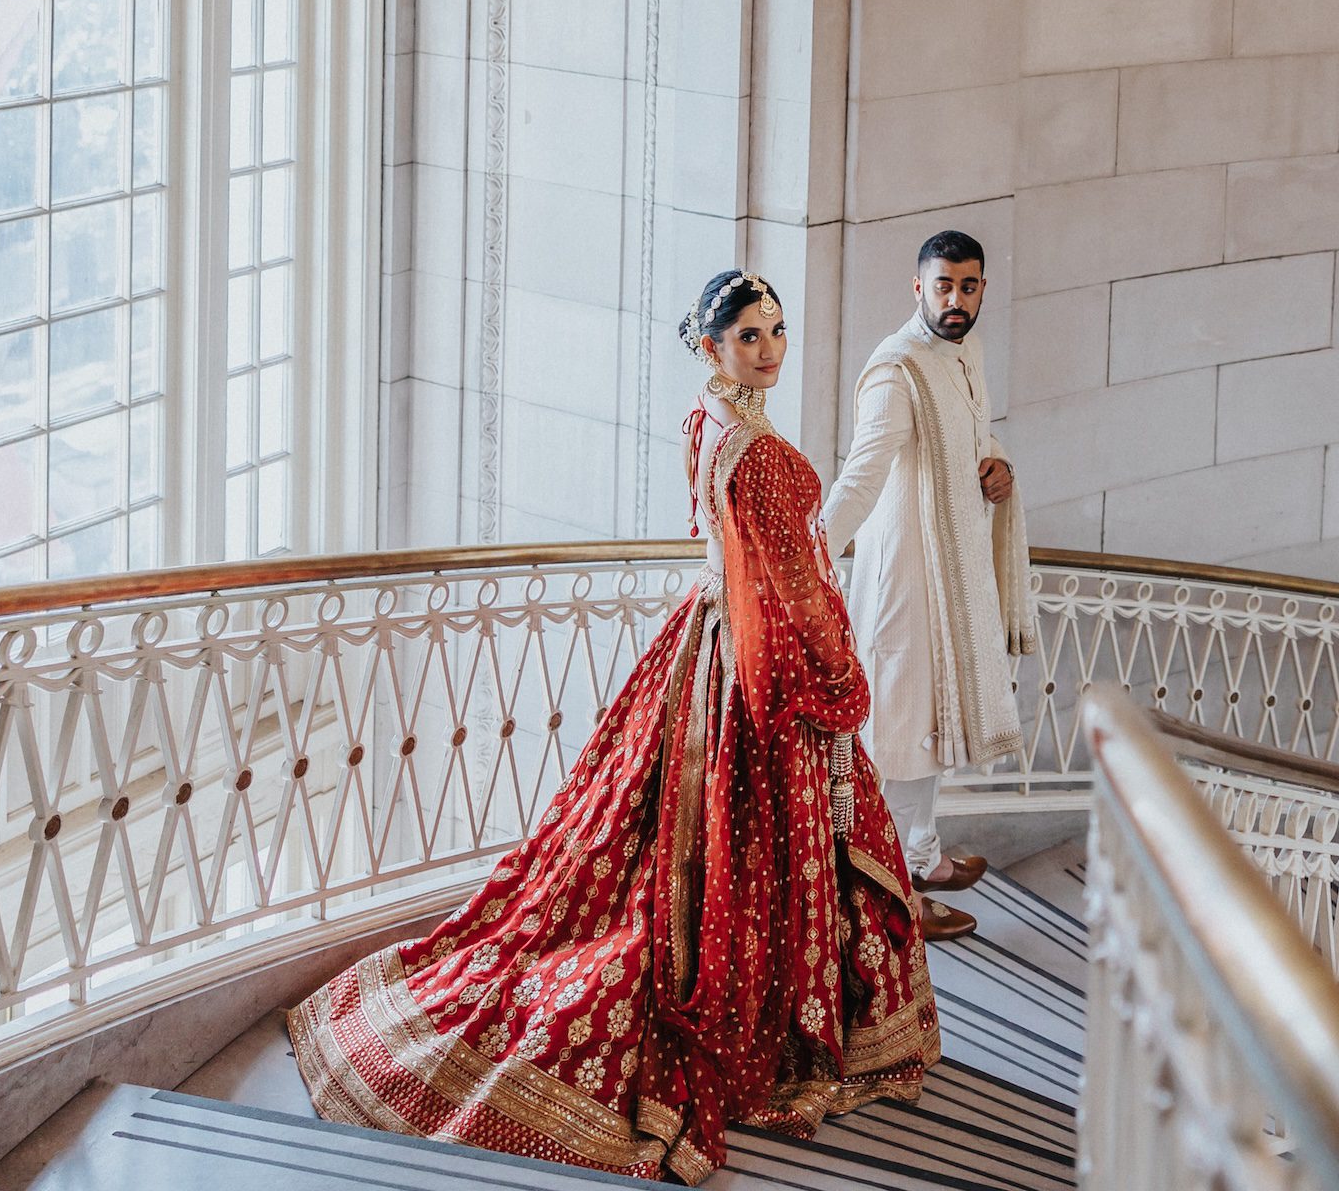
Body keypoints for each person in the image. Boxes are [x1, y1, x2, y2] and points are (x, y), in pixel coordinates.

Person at [288, 271, 939, 1184]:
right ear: (711, 346)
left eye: (777, 331)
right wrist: (835, 684)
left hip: (707, 639)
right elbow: (790, 591)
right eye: (750, 336)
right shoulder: (762, 457)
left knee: (665, 849)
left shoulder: (707, 421)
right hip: (752, 659)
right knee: (747, 854)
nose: (771, 350)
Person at [821, 230, 1037, 943]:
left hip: (952, 571)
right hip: (905, 587)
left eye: (968, 286)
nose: (955, 299)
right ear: (918, 288)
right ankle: (890, 895)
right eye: (942, 286)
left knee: (933, 726)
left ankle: (922, 856)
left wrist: (998, 466)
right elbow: (862, 475)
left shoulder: (965, 351)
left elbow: (978, 434)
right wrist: (806, 552)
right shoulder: (896, 370)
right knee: (902, 736)